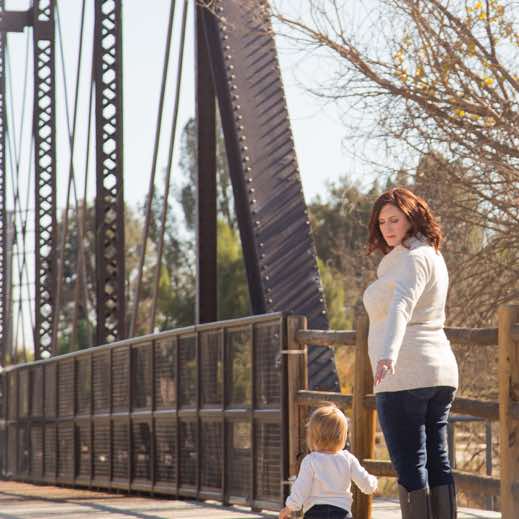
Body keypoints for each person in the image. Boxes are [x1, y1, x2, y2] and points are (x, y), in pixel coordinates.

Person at [362, 187, 459, 518]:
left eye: (395, 220)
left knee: (410, 464)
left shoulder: (413, 259)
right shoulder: (433, 256)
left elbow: (402, 305)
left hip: (405, 373)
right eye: (382, 222)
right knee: (437, 461)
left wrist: (387, 354)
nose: (387, 228)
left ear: (412, 218)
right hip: (440, 372)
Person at [279, 403, 377, 519]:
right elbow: (366, 484)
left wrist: (289, 507)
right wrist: (373, 483)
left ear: (312, 437)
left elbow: (301, 488)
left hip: (314, 514)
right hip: (342, 514)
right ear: (343, 437)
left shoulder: (311, 460)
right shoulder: (348, 459)